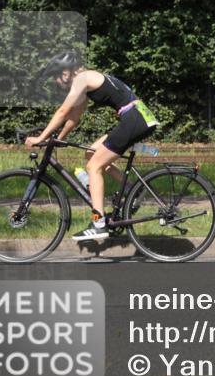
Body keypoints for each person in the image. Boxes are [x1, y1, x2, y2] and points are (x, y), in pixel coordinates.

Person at [26, 51, 160, 240]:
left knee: (93, 166)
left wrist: (40, 137)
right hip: (137, 117)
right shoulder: (86, 81)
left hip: (134, 119)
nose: (56, 82)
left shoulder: (82, 79)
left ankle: (98, 223)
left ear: (65, 73)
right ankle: (133, 189)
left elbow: (63, 111)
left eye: (56, 77)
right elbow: (74, 117)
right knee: (91, 153)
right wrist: (58, 139)